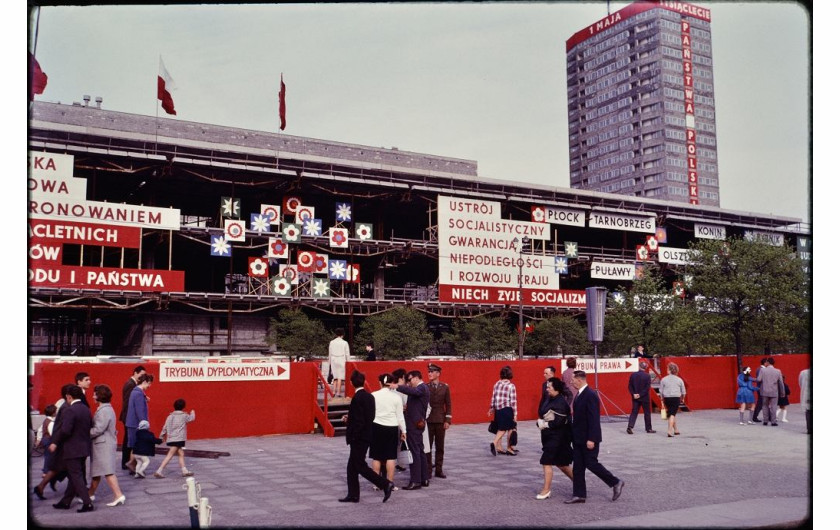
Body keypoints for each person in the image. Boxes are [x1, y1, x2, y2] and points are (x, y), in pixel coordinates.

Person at [564, 371, 623, 504]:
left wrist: (592, 439)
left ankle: (615, 482)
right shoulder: (579, 395)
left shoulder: (590, 395)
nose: (571, 382)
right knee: (578, 467)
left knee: (591, 463)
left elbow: (594, 419)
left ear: (579, 380)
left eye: (573, 380)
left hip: (588, 439)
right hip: (578, 438)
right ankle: (579, 495)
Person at [338, 370, 395, 503]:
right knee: (351, 467)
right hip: (367, 435)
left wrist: (353, 436)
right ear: (364, 382)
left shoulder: (357, 398)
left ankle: (385, 484)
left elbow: (359, 421)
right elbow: (368, 416)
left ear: (351, 383)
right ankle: (353, 494)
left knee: (359, 465)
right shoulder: (370, 397)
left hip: (358, 438)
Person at [49, 385, 94, 512]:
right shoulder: (86, 409)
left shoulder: (70, 410)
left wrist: (55, 442)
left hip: (72, 448)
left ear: (69, 396)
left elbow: (65, 430)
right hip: (84, 447)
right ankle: (66, 501)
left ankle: (87, 503)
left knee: (76, 476)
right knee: (74, 475)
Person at [33, 383, 75, 500]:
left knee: (61, 467)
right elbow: (60, 427)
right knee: (67, 468)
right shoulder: (65, 407)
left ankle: (45, 485)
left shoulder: (62, 405)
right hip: (63, 443)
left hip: (60, 442)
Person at [535, 377, 574, 500]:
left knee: (546, 461)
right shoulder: (548, 398)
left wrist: (545, 424)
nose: (546, 389)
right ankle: (580, 483)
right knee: (562, 465)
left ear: (557, 389)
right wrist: (540, 422)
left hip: (559, 437)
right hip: (549, 436)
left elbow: (559, 422)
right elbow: (541, 412)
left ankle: (546, 490)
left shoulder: (561, 403)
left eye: (549, 387)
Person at [87, 384, 126, 507]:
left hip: (102, 445)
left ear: (99, 396)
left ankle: (118, 495)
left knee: (108, 472)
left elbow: (98, 429)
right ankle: (89, 494)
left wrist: (84, 434)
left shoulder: (103, 411)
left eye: (95, 394)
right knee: (97, 472)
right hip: (103, 444)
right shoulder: (106, 409)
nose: (93, 396)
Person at [369, 373, 405, 489]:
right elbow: (400, 416)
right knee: (390, 456)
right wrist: (404, 431)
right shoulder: (396, 397)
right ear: (391, 383)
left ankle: (376, 483)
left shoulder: (373, 395)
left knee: (376, 456)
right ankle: (389, 483)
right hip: (391, 427)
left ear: (380, 383)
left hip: (377, 426)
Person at [397, 370, 430, 489]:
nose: (409, 383)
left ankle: (416, 480)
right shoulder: (421, 389)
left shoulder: (422, 387)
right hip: (417, 424)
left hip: (414, 425)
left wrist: (398, 387)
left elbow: (413, 392)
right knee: (420, 451)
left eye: (410, 380)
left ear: (417, 378)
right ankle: (424, 478)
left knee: (415, 452)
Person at [154, 399, 196, 478]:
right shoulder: (184, 416)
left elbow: (165, 427)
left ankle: (184, 470)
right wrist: (192, 412)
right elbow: (191, 418)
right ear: (183, 407)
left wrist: (161, 436)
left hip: (171, 438)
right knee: (170, 455)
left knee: (181, 453)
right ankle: (159, 470)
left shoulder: (170, 416)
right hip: (179, 438)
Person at [426, 363, 452, 478]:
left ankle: (439, 469)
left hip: (441, 420)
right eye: (429, 372)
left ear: (438, 373)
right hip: (429, 420)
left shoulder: (445, 387)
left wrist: (447, 420)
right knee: (428, 447)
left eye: (432, 372)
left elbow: (448, 404)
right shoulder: (426, 387)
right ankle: (428, 470)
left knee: (440, 447)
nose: (429, 374)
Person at [125, 374, 154, 474]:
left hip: (133, 423)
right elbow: (140, 410)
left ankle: (133, 466)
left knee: (135, 445)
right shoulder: (138, 394)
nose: (149, 386)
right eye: (149, 383)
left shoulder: (137, 392)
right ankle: (132, 465)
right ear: (145, 381)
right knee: (136, 445)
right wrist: (144, 424)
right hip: (136, 424)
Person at [119, 365, 146, 470]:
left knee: (128, 440)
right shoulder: (130, 384)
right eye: (141, 374)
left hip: (127, 416)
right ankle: (127, 462)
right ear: (135, 372)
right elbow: (128, 402)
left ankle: (127, 462)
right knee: (129, 441)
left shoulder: (132, 384)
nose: (142, 377)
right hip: (128, 416)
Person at [488, 365, 518, 457]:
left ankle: (499, 447)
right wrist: (515, 414)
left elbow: (493, 397)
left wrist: (491, 408)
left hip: (498, 410)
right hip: (507, 409)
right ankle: (499, 444)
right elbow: (513, 401)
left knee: (500, 427)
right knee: (509, 428)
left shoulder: (496, 384)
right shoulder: (511, 386)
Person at [626, 361, 656, 434]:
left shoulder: (633, 375)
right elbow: (647, 388)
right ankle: (648, 429)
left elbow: (630, 386)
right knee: (647, 413)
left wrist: (634, 394)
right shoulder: (647, 376)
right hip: (644, 397)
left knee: (634, 412)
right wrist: (640, 394)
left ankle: (630, 426)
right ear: (645, 368)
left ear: (639, 366)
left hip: (635, 397)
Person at [659, 362, 687, 437]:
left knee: (672, 413)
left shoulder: (663, 379)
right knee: (672, 414)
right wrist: (683, 398)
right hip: (676, 398)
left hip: (667, 398)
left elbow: (661, 391)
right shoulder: (679, 380)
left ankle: (676, 430)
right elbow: (683, 391)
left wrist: (661, 398)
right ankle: (669, 431)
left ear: (670, 370)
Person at [391, 368, 409, 473]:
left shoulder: (391, 389)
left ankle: (396, 462)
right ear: (402, 377)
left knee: (396, 443)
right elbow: (406, 405)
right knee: (402, 442)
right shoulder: (403, 390)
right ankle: (401, 462)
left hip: (391, 420)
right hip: (401, 418)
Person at [757, 357, 784, 426]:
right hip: (774, 391)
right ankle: (773, 421)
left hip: (764, 391)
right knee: (773, 406)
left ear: (768, 363)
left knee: (765, 406)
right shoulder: (778, 371)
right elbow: (781, 382)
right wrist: (782, 392)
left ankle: (765, 421)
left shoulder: (762, 370)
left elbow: (759, 379)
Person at [329, 328, 351, 398]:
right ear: (343, 334)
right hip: (341, 359)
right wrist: (348, 362)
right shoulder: (345, 343)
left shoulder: (332, 342)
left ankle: (333, 391)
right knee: (340, 377)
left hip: (333, 360)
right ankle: (338, 392)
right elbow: (347, 354)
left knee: (335, 377)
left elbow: (329, 353)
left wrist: (329, 363)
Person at [40, 404, 58, 477]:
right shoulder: (50, 422)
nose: (57, 412)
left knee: (47, 456)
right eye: (56, 411)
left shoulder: (46, 420)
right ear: (53, 413)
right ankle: (45, 471)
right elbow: (52, 433)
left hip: (45, 439)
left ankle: (46, 470)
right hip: (48, 440)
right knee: (48, 456)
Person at [751, 358, 767, 423]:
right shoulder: (761, 369)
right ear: (765, 363)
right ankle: (754, 416)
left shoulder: (759, 369)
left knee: (764, 403)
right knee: (760, 403)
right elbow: (760, 379)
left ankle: (755, 416)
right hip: (762, 388)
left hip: (760, 387)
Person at [799, 368, 811, 434]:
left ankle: (809, 429)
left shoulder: (803, 372)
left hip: (807, 394)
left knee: (808, 411)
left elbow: (800, 383)